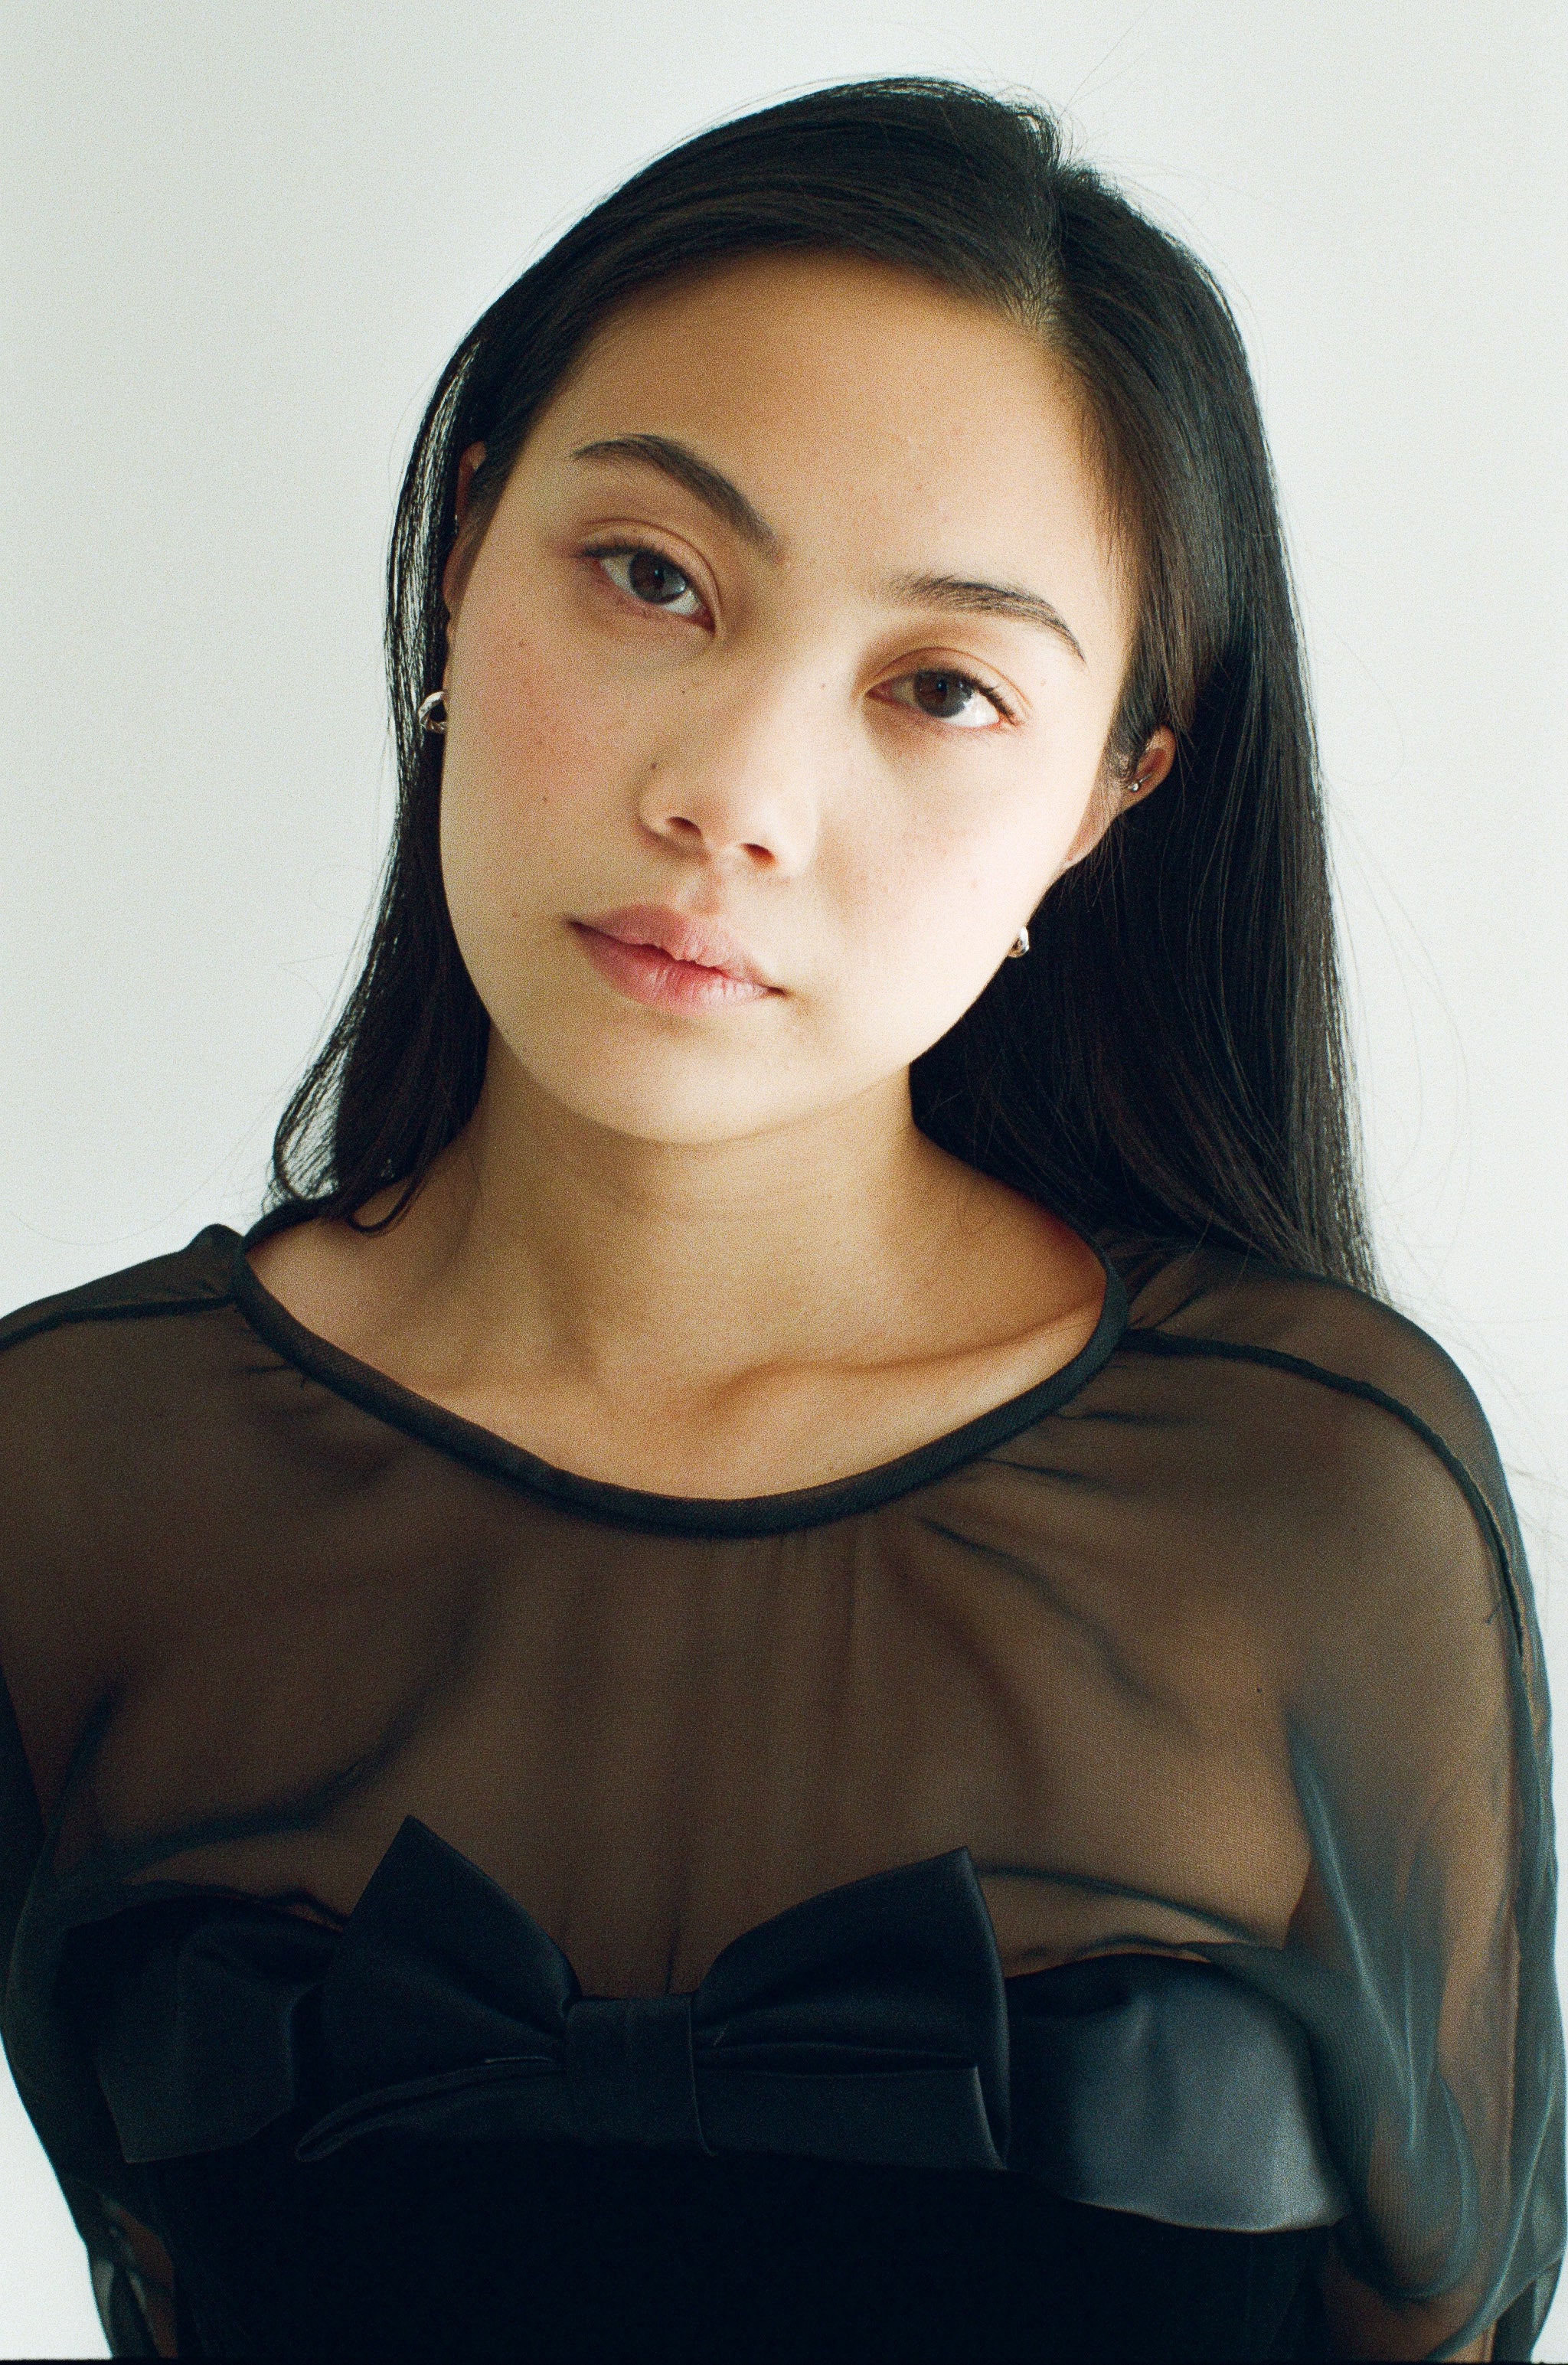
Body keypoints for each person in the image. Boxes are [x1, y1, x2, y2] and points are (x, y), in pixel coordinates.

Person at [0, 76, 1559, 2363]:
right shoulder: (72, 1484)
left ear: (1113, 787)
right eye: (653, 577)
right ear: (461, 545)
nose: (732, 795)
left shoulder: (1311, 1502)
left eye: (939, 688)